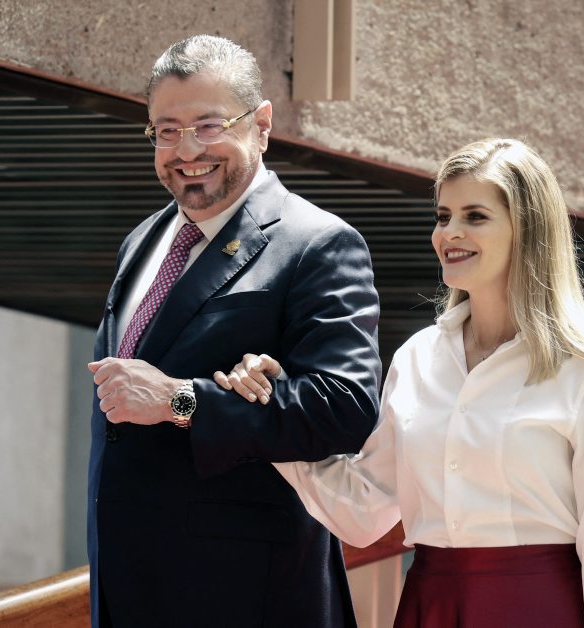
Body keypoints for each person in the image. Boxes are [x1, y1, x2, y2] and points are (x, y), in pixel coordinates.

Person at [215, 138, 584, 627]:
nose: (449, 233)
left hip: (540, 611)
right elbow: (363, 510)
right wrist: (270, 409)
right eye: (443, 216)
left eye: (475, 216)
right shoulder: (418, 357)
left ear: (528, 230)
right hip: (430, 605)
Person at [86, 35, 381, 627]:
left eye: (208, 125)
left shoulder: (318, 243)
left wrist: (181, 400)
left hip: (246, 596)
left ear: (262, 124)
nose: (186, 149)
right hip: (125, 589)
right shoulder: (142, 241)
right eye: (166, 130)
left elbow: (346, 406)